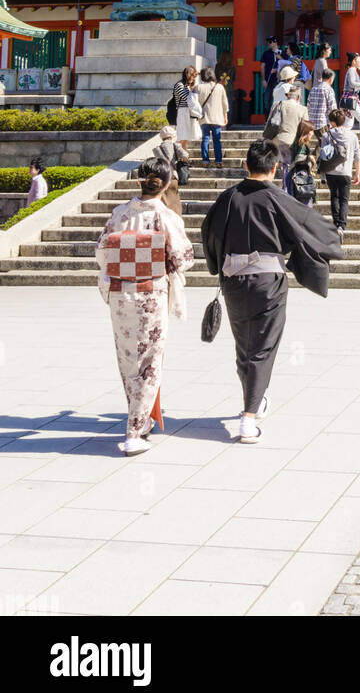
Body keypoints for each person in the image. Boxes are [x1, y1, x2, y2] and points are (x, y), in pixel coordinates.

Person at [202, 139, 343, 444]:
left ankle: (254, 400)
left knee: (244, 346)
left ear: (245, 165)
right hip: (267, 282)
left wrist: (217, 265)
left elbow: (210, 233)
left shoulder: (227, 199)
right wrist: (328, 244)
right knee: (263, 347)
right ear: (276, 168)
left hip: (233, 281)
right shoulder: (277, 198)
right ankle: (248, 419)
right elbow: (310, 225)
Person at [96, 158, 194, 456]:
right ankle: (133, 432)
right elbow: (182, 257)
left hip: (120, 295)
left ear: (140, 180)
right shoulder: (165, 217)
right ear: (165, 184)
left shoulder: (119, 213)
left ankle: (139, 417)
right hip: (151, 295)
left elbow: (101, 251)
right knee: (149, 362)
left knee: (128, 360)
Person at [321, 107, 360, 240]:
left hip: (331, 171)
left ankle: (336, 223)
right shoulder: (352, 136)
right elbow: (357, 156)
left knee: (334, 197)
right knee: (344, 200)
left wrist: (322, 173)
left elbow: (323, 154)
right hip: (346, 172)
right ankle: (341, 227)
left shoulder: (327, 135)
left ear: (332, 121)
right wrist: (357, 173)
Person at [269, 83, 309, 194]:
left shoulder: (278, 104)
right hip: (291, 141)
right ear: (298, 97)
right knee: (287, 165)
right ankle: (286, 190)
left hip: (276, 139)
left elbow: (271, 122)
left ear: (287, 95)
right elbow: (306, 128)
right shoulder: (302, 109)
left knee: (279, 163)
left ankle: (279, 187)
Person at [198, 67, 229, 168]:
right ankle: (218, 161)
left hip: (204, 118)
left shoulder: (198, 87)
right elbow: (225, 103)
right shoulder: (219, 87)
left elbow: (194, 103)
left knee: (205, 139)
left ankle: (205, 161)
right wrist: (225, 116)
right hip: (217, 118)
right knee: (217, 140)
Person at [153, 126, 188, 215]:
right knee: (175, 201)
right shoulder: (175, 145)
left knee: (164, 200)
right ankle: (176, 219)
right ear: (172, 136)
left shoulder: (158, 149)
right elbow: (185, 155)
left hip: (162, 177)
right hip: (173, 176)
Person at [341, 51, 360, 144]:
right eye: (359, 60)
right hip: (350, 98)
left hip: (350, 99)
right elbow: (352, 84)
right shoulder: (351, 70)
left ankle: (339, 139)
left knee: (348, 123)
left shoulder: (354, 70)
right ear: (354, 61)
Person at [172, 66, 202, 154]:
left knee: (185, 139)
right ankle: (175, 155)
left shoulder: (187, 86)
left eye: (195, 76)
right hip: (183, 112)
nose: (193, 78)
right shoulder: (179, 85)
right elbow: (188, 99)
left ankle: (184, 158)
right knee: (182, 137)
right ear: (188, 75)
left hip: (188, 113)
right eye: (192, 75)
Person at [307, 67, 338, 131]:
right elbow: (332, 108)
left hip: (312, 123)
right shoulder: (329, 90)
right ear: (331, 79)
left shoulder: (313, 89)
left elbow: (308, 105)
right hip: (323, 123)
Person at [261, 37, 280, 116]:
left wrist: (276, 70)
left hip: (278, 80)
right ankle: (267, 119)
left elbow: (286, 64)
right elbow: (262, 66)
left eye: (271, 42)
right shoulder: (266, 53)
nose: (269, 44)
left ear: (275, 42)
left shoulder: (281, 53)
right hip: (268, 80)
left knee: (277, 100)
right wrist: (264, 80)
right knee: (266, 100)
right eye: (268, 42)